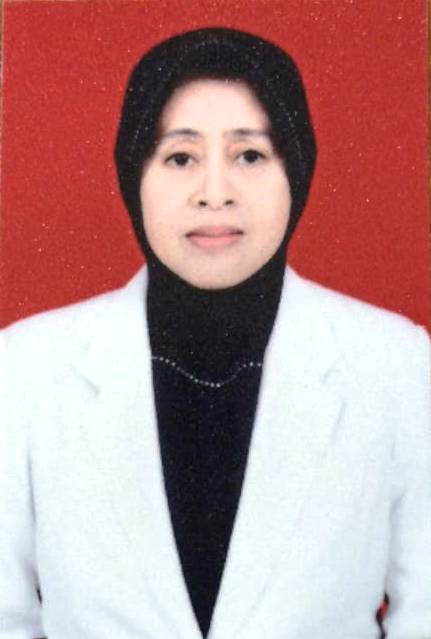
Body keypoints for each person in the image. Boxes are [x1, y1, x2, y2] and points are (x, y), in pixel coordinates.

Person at [0, 27, 429, 639]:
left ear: (296, 169)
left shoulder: (396, 364)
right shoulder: (25, 368)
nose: (215, 194)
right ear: (135, 173)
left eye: (249, 156)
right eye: (181, 158)